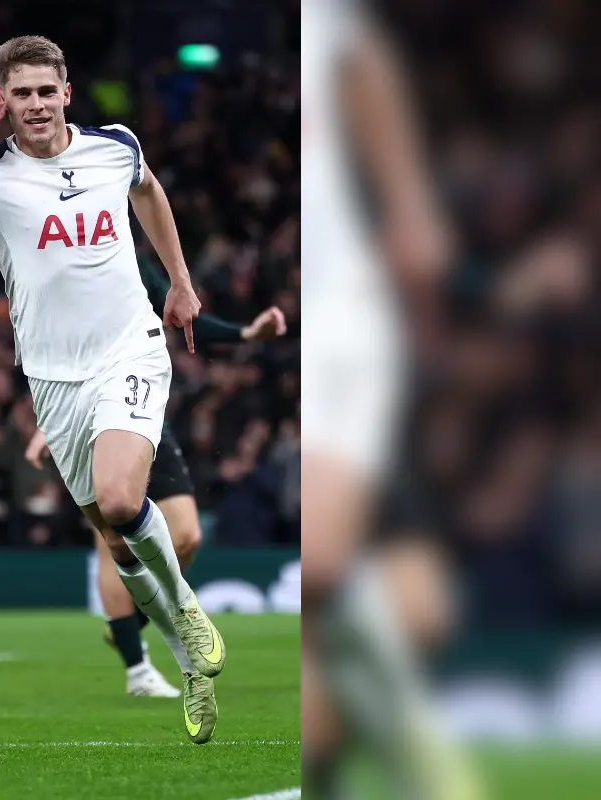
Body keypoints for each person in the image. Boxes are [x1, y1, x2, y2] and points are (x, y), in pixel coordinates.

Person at [0, 35, 224, 743]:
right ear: (3, 98)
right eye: (20, 93)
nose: (34, 104)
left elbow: (149, 190)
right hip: (53, 380)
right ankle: (188, 665)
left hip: (130, 350)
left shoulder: (115, 146)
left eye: (45, 91)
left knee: (120, 501)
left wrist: (180, 281)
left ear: (66, 93)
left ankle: (183, 609)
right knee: (116, 540)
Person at [300, 1, 479, 796]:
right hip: (308, 341)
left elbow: (360, 55)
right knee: (342, 594)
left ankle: (405, 755)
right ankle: (413, 768)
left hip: (345, 317)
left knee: (397, 596)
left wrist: (410, 206)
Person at [26, 281, 286, 697]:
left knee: (187, 534)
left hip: (137, 395)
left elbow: (183, 309)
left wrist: (245, 333)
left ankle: (133, 622)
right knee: (113, 534)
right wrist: (52, 421)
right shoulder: (53, 264)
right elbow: (51, 338)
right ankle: (138, 669)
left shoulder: (130, 260)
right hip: (79, 400)